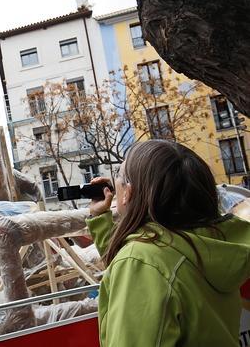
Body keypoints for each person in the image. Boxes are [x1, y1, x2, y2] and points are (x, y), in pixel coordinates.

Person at [86, 140, 250, 346]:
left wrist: (131, 261)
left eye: (118, 173)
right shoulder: (211, 245)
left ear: (129, 191)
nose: (113, 182)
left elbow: (143, 270)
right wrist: (101, 219)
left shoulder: (142, 263)